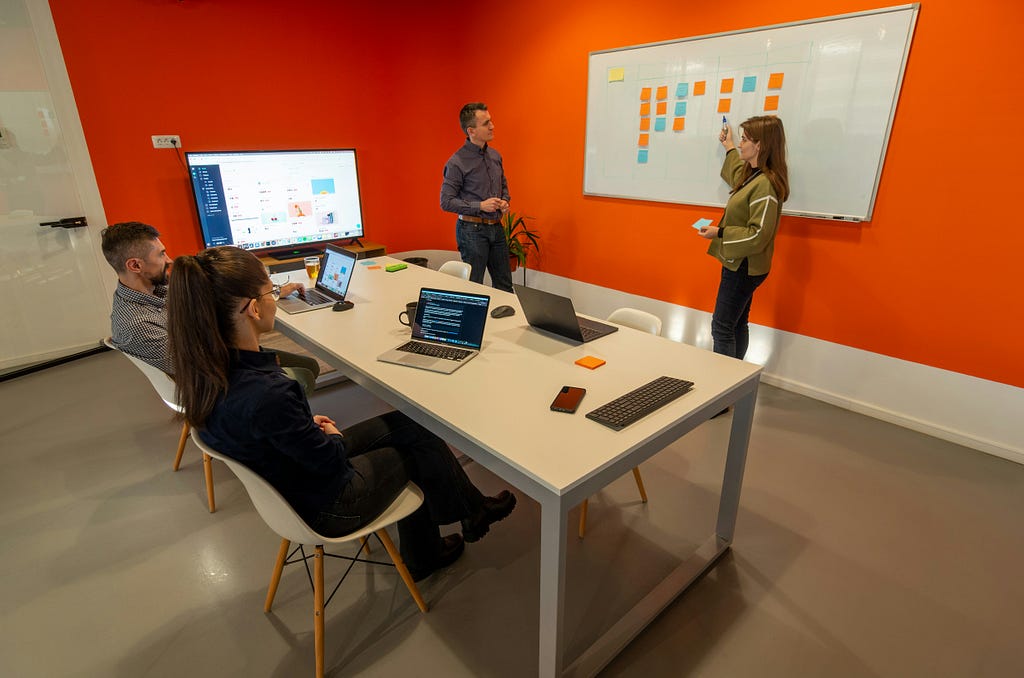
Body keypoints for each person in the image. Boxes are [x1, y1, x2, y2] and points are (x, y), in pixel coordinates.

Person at [166, 246, 517, 580]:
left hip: (289, 477)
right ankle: (428, 553)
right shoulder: (268, 394)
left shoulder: (206, 371)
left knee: (412, 425)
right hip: (326, 503)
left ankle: (471, 512)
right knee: (414, 451)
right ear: (253, 309)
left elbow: (278, 434)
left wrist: (303, 427)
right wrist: (326, 435)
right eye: (270, 290)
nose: (276, 296)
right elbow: (329, 463)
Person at [99, 221, 320, 392]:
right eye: (161, 254)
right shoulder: (136, 324)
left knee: (309, 364)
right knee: (303, 375)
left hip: (223, 355)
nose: (169, 259)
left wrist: (272, 292)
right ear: (135, 265)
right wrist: (250, 330)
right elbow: (200, 367)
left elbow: (213, 299)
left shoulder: (154, 290)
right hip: (218, 380)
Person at [697, 115, 789, 362]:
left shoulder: (766, 185)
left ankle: (724, 390)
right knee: (736, 323)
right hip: (740, 262)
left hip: (743, 266)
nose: (741, 143)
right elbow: (737, 174)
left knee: (722, 326)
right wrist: (727, 146)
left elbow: (759, 234)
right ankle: (735, 385)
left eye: (745, 140)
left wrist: (721, 232)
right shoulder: (754, 175)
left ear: (760, 145)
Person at [440, 102, 514, 292]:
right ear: (471, 130)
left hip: (496, 228)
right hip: (471, 231)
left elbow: (503, 185)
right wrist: (480, 205)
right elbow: (446, 201)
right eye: (486, 123)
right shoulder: (457, 162)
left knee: (505, 286)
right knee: (473, 288)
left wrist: (504, 201)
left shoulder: (495, 156)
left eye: (491, 121)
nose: (492, 126)